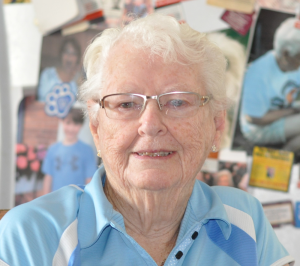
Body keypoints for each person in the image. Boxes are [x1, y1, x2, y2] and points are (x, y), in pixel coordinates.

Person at [0, 14, 294, 266]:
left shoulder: (245, 220)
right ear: (96, 127)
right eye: (126, 104)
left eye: (178, 102)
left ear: (217, 125)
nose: (150, 125)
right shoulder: (31, 236)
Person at [240, 17, 300, 152]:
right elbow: (254, 118)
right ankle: (283, 155)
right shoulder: (257, 73)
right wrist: (291, 111)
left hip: (282, 110)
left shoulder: (293, 64)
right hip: (259, 128)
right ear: (286, 54)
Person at [42, 108, 97, 194]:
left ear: (81, 125)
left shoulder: (87, 150)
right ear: (62, 121)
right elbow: (48, 178)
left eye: (76, 124)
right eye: (68, 123)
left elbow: (89, 180)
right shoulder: (52, 149)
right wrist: (45, 201)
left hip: (78, 201)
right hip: (55, 200)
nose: (71, 128)